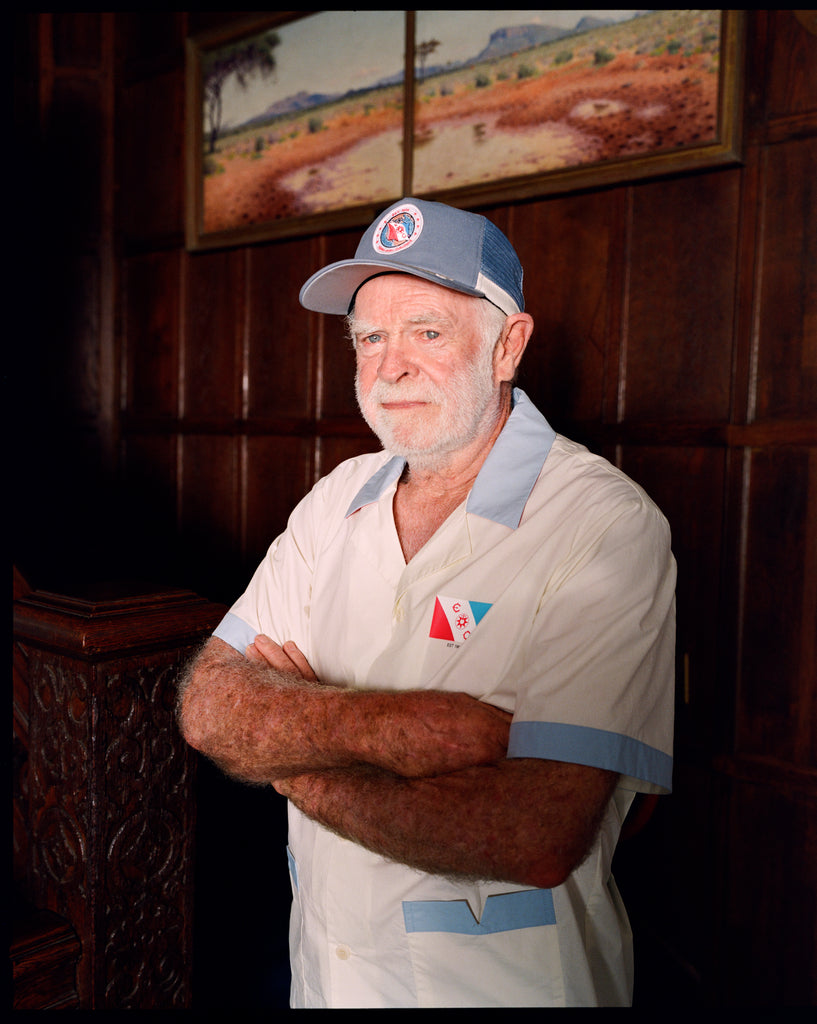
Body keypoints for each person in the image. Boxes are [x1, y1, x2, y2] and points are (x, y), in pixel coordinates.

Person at [177, 197, 676, 1009]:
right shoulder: (335, 499)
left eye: (427, 332)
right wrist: (414, 731)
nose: (389, 367)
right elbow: (207, 705)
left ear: (507, 346)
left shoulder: (604, 524)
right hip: (326, 983)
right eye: (369, 338)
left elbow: (533, 833)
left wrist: (296, 762)